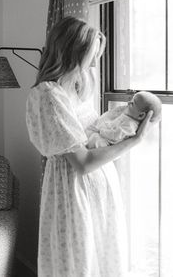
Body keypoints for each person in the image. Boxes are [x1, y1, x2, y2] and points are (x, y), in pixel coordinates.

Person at [25, 16, 155, 277]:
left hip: (99, 187)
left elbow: (91, 135)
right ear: (73, 51)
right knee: (78, 262)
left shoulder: (75, 87)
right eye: (91, 55)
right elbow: (82, 163)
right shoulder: (48, 96)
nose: (95, 62)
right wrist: (134, 140)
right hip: (72, 191)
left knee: (101, 259)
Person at [87, 91, 162, 149]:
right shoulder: (128, 116)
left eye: (132, 103)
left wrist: (102, 131)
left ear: (141, 115)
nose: (128, 103)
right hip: (104, 135)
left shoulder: (130, 126)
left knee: (95, 139)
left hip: (106, 143)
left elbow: (115, 135)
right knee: (91, 134)